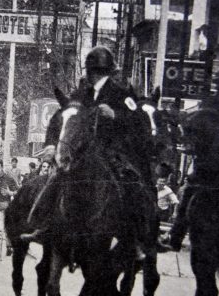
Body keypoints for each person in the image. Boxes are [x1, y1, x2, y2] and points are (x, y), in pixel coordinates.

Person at [29, 46, 155, 253]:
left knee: (133, 184)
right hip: (81, 152)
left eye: (97, 72)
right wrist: (51, 144)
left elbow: (140, 121)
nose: (93, 76)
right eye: (93, 72)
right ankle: (43, 224)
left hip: (112, 152)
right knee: (56, 178)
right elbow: (59, 118)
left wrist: (115, 115)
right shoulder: (80, 94)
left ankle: (137, 237)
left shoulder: (122, 95)